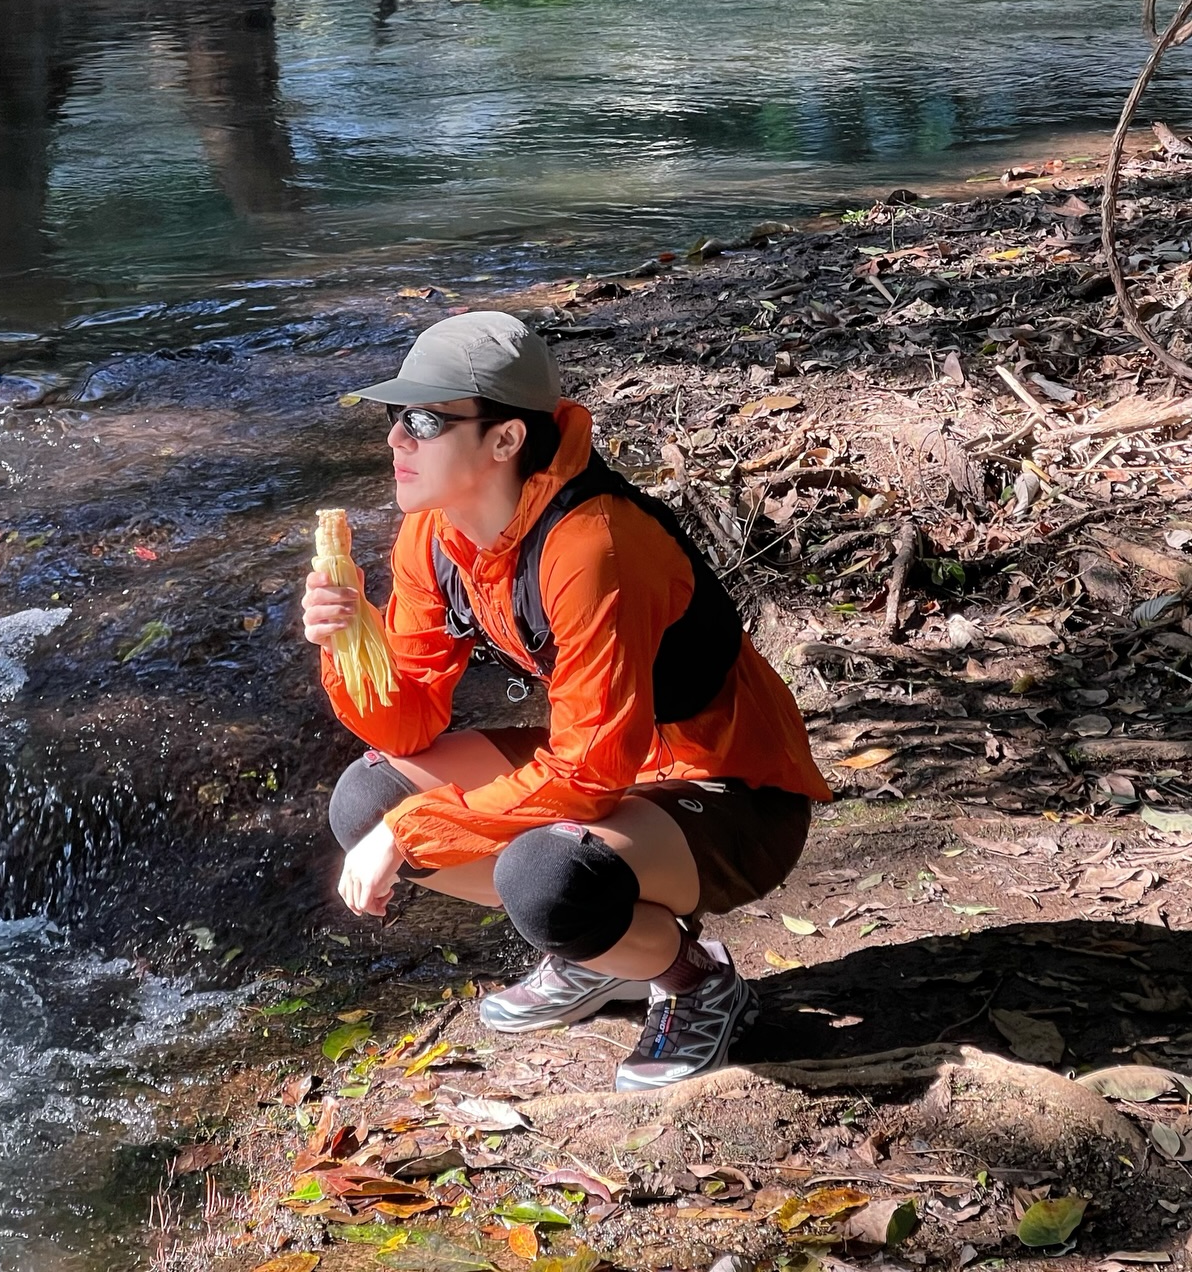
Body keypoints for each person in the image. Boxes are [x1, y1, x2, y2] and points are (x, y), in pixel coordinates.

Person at [302, 311, 830, 1092]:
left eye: (421, 420)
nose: (395, 441)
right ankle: (600, 951)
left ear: (506, 440)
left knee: (545, 878)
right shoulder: (434, 536)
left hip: (734, 792)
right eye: (392, 419)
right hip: (620, 772)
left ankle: (693, 978)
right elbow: (410, 722)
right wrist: (351, 643)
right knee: (368, 800)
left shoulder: (594, 546)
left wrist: (416, 830)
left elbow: (591, 765)